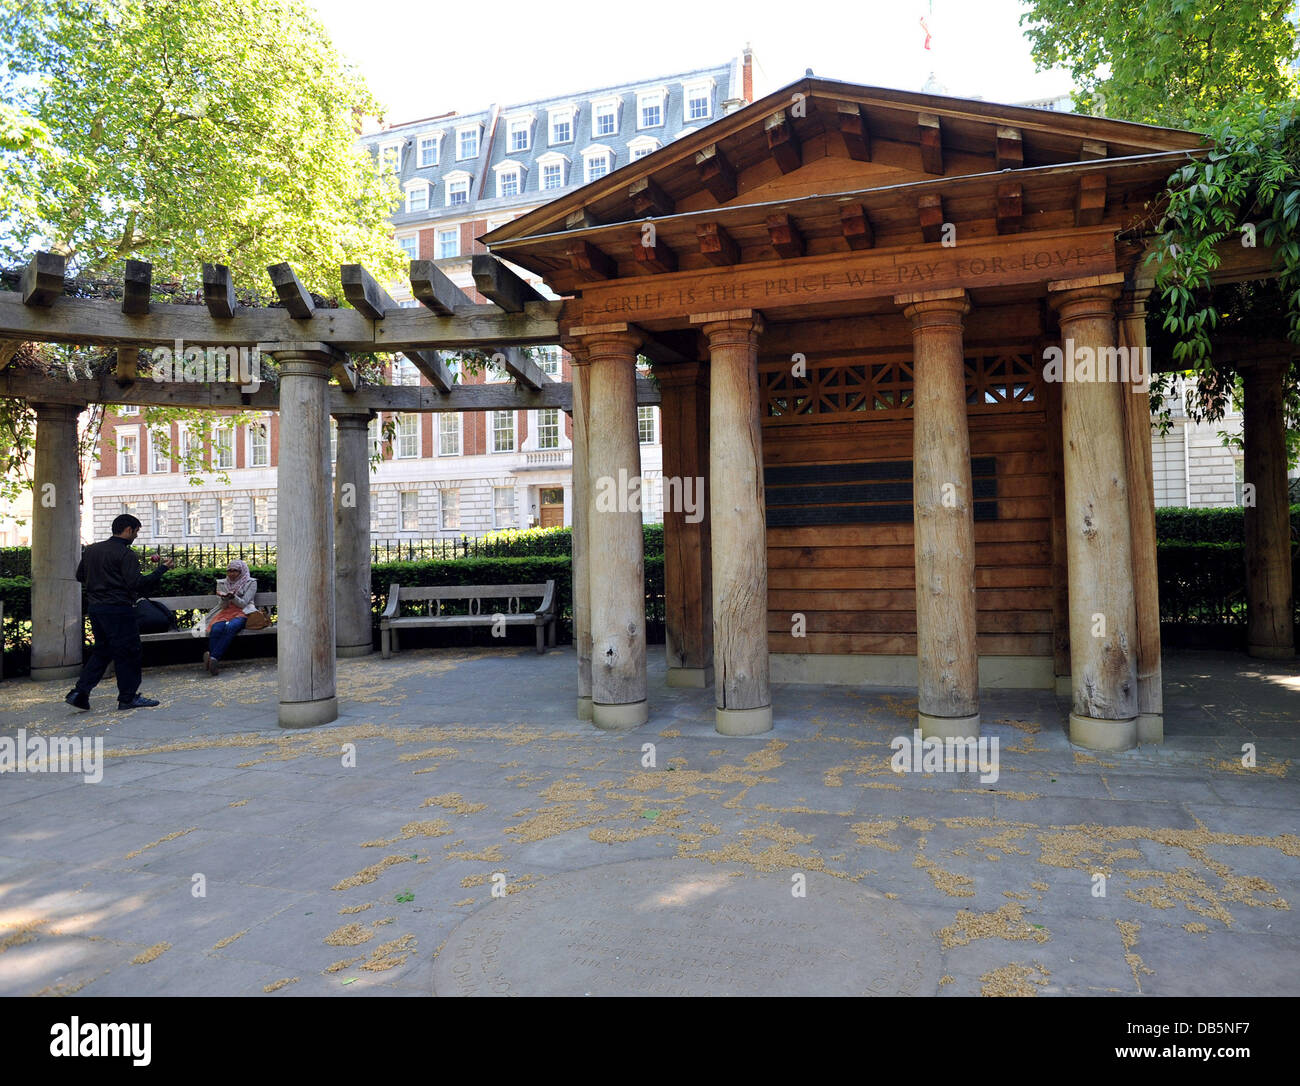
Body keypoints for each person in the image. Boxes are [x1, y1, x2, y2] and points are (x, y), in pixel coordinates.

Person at [65, 513, 175, 711]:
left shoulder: (91, 550)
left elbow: (80, 575)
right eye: (136, 532)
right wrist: (162, 570)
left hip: (96, 608)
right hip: (119, 609)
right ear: (128, 530)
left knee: (103, 650)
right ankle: (128, 697)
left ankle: (80, 692)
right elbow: (137, 584)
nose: (136, 536)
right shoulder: (125, 554)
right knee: (129, 652)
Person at [201, 559, 257, 676]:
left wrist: (233, 597)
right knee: (216, 628)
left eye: (235, 571)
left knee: (231, 627)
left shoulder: (251, 582)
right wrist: (224, 598)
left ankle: (213, 658)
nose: (231, 573)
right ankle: (213, 661)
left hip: (243, 612)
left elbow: (244, 603)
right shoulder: (221, 583)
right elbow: (222, 606)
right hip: (225, 612)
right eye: (229, 571)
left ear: (241, 571)